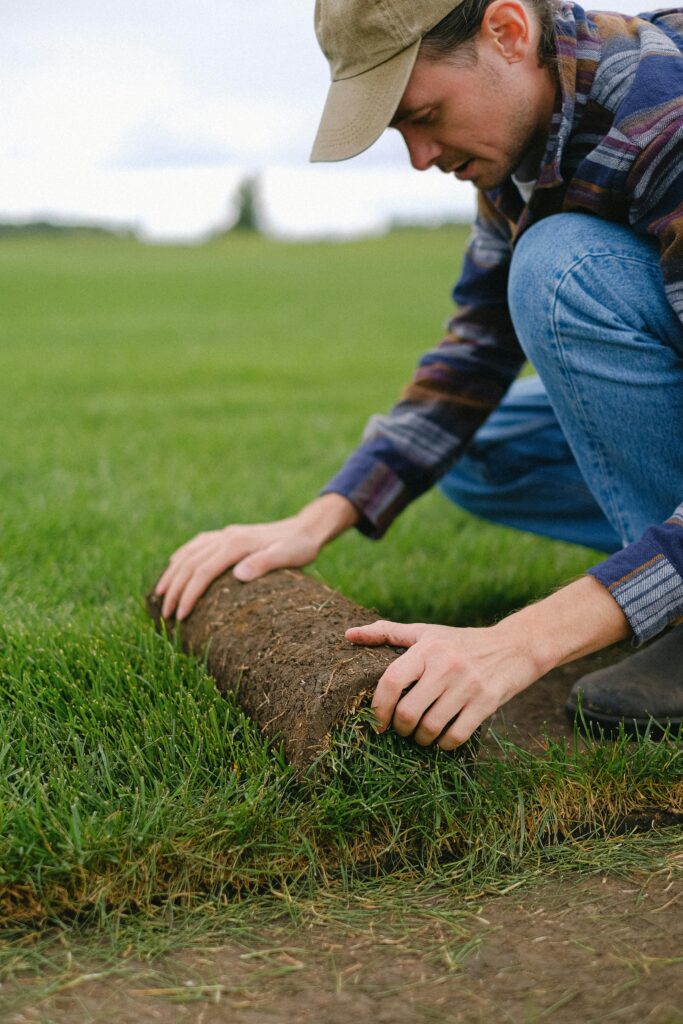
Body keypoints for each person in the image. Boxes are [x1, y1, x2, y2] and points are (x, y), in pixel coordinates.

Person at [156, 0, 683, 747]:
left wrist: (519, 641)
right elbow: (476, 349)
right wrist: (322, 515)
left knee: (559, 268)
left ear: (506, 32)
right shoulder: (531, 135)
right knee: (484, 450)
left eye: (423, 114)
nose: (419, 157)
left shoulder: (666, 121)